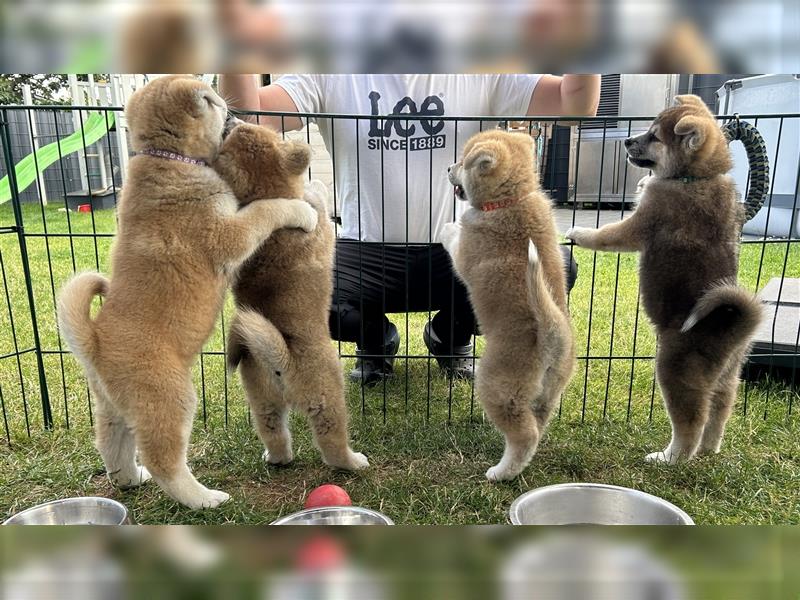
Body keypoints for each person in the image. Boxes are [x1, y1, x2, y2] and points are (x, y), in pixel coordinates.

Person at [220, 74, 600, 384]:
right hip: (365, 251)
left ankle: (450, 338)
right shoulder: (330, 72)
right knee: (297, 289)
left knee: (553, 269)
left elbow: (576, 105)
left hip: (457, 248)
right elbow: (249, 116)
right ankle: (375, 341)